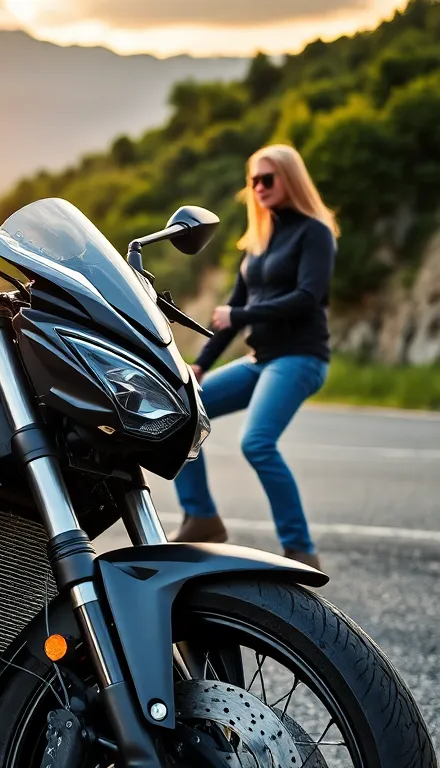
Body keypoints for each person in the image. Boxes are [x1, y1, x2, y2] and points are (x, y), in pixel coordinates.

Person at [172, 144, 338, 571]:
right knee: (181, 411)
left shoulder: (314, 233)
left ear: (291, 180)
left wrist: (241, 314)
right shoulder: (258, 244)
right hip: (259, 358)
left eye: (268, 178)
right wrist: (201, 365)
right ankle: (202, 517)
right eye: (253, 181)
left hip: (300, 358)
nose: (259, 187)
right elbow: (227, 315)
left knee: (257, 442)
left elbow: (306, 299)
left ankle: (301, 549)